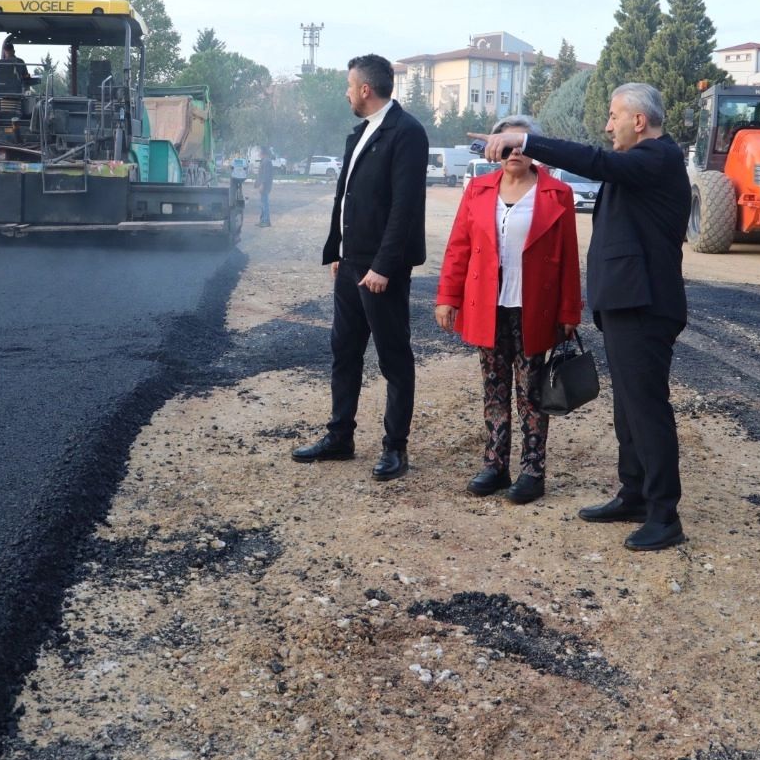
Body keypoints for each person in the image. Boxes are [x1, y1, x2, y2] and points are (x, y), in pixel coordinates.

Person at [472, 82, 692, 550]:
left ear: (639, 120)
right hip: (625, 303)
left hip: (646, 305)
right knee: (627, 408)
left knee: (647, 409)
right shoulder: (639, 163)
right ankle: (635, 494)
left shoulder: (658, 156)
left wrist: (525, 140)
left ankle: (663, 515)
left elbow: (595, 161)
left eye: (614, 116)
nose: (608, 126)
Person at [293, 54, 429, 481]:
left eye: (350, 86)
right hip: (351, 264)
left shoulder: (406, 132)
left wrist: (384, 267)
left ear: (365, 89)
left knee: (393, 358)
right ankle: (340, 437)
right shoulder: (361, 132)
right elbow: (347, 197)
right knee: (344, 351)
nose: (347, 93)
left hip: (381, 271)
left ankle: (395, 448)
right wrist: (337, 250)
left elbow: (405, 207)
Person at [436, 115, 582, 503]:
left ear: (535, 150)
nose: (514, 152)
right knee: (494, 387)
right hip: (487, 305)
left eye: (522, 144)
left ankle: (533, 471)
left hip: (534, 307)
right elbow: (459, 247)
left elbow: (569, 256)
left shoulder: (557, 194)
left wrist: (570, 310)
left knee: (531, 391)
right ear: (494, 148)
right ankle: (496, 465)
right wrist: (448, 296)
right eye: (507, 145)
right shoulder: (478, 189)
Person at [255, 149, 277, 227]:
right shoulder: (264, 160)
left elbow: (265, 175)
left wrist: (262, 185)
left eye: (258, 151)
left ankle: (266, 221)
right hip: (263, 186)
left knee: (264, 204)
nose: (258, 152)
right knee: (262, 203)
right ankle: (262, 220)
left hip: (265, 186)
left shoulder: (266, 161)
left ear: (262, 152)